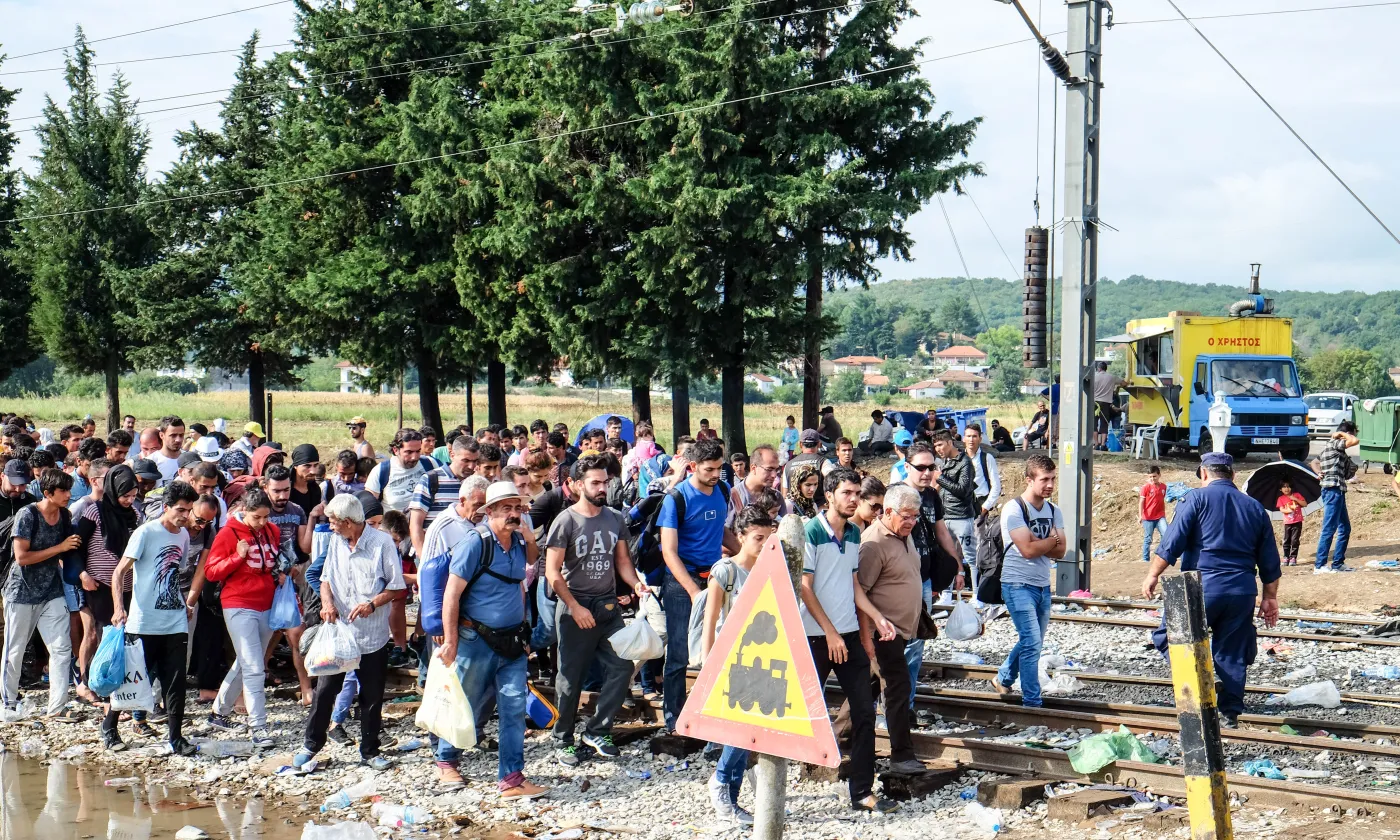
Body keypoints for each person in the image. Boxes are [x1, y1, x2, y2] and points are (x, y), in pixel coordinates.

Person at [1142, 452, 1281, 728]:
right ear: (1233, 475)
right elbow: (1270, 560)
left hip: (1201, 587)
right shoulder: (1255, 507)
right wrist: (1270, 597)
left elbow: (1171, 543)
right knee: (1232, 650)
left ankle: (1203, 677)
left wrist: (1152, 575)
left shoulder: (1195, 499)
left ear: (1204, 473)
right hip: (1242, 590)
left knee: (1168, 635)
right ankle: (1229, 713)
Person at [436, 482, 548, 801]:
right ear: (490, 512)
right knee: (466, 703)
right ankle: (446, 761)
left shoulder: (518, 540)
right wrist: (451, 641)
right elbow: (451, 594)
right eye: (506, 508)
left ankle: (511, 779)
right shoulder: (475, 543)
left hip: (512, 642)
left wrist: (529, 538)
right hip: (475, 639)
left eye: (517, 508)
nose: (514, 514)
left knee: (513, 708)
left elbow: (529, 566)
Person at [799, 467, 899, 814]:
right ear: (829, 496)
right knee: (799, 711)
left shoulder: (855, 532)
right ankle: (764, 775)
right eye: (847, 493)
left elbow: (853, 584)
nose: (854, 499)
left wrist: (876, 618)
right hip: (816, 637)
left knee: (864, 712)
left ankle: (861, 791)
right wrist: (829, 632)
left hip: (848, 635)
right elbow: (805, 587)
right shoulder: (811, 531)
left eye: (857, 494)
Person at [546, 455, 647, 767]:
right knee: (570, 678)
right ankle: (562, 739)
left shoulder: (614, 518)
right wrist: (574, 607)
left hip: (607, 607)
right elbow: (552, 572)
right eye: (595, 483)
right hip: (575, 607)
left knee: (622, 667)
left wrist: (636, 584)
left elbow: (623, 561)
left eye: (606, 482)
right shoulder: (565, 521)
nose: (603, 488)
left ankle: (597, 730)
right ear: (578, 485)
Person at [294, 494, 406, 772]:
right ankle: (311, 745)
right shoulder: (336, 541)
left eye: (333, 521)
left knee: (372, 696)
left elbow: (396, 587)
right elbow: (325, 580)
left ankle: (370, 750)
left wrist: (372, 604)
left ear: (347, 522)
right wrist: (327, 604)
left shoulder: (382, 543)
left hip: (372, 635)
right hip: (340, 634)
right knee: (324, 691)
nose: (330, 526)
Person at [104, 480, 201, 754]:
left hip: (175, 620)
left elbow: (173, 575)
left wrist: (185, 603)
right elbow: (119, 573)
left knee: (176, 682)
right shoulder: (145, 533)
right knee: (132, 678)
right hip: (143, 621)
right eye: (180, 510)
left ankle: (176, 738)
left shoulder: (183, 536)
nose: (185, 516)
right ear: (166, 507)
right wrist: (118, 608)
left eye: (189, 510)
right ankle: (110, 727)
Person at [699, 505, 774, 825]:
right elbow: (710, 620)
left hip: (759, 658)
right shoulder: (725, 571)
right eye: (758, 538)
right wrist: (708, 664)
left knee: (748, 729)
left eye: (768, 538)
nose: (764, 544)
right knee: (741, 728)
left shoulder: (768, 568)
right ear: (741, 536)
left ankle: (731, 800)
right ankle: (720, 782)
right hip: (730, 659)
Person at [657, 437, 736, 733]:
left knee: (719, 645)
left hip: (715, 577)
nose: (715, 475)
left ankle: (712, 711)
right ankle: (674, 718)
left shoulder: (723, 490)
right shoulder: (676, 499)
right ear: (692, 466)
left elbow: (720, 530)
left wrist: (745, 554)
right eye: (709, 469)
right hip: (682, 581)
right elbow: (668, 552)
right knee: (679, 651)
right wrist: (693, 591)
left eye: (718, 468)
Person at [857, 483, 927, 776]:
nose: (912, 521)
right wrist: (867, 636)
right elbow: (859, 591)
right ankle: (901, 755)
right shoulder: (874, 543)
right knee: (898, 688)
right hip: (882, 632)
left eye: (915, 516)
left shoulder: (903, 535)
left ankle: (840, 740)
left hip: (900, 630)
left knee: (868, 688)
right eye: (906, 515)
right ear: (888, 511)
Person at [204, 488, 282, 746]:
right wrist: (238, 556)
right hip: (238, 603)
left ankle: (219, 712)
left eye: (266, 517)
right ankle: (258, 726)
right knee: (254, 667)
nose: (262, 522)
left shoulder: (272, 530)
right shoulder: (228, 533)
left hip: (266, 604)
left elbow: (273, 561)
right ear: (244, 511)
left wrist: (283, 572)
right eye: (257, 517)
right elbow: (211, 572)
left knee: (248, 661)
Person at [2, 468, 79, 721]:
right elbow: (22, 557)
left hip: (51, 590)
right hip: (21, 591)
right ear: (47, 493)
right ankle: (7, 702)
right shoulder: (27, 515)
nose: (68, 495)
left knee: (61, 648)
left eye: (69, 489)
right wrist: (59, 547)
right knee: (15, 650)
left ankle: (57, 707)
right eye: (63, 491)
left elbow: (68, 552)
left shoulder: (65, 515)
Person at [989, 454, 1066, 709]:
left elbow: (1061, 551)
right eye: (1044, 479)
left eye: (1053, 479)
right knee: (1032, 642)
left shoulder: (1054, 510)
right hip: (1017, 584)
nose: (1050, 485)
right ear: (1029, 480)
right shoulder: (1014, 509)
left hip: (1042, 585)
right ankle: (1032, 701)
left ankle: (1003, 678)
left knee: (1031, 641)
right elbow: (1028, 550)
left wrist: (1041, 542)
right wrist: (1051, 540)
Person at [931, 430, 978, 594]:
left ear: (950, 442)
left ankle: (976, 593)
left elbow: (963, 490)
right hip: (945, 516)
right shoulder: (945, 462)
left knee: (970, 556)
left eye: (940, 444)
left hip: (961, 516)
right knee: (947, 556)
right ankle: (946, 592)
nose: (938, 449)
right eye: (935, 446)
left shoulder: (965, 462)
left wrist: (940, 479)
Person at [1310, 422, 1358, 573]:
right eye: (1353, 432)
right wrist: (1341, 434)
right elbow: (1354, 441)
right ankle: (1319, 565)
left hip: (1337, 490)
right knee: (1329, 528)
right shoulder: (1336, 443)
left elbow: (1314, 462)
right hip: (1333, 490)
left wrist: (1318, 472)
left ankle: (1338, 563)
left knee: (1345, 528)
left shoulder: (1331, 446)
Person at [365, 428, 427, 513]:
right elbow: (369, 507)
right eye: (409, 452)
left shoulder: (430, 464)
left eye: (418, 451)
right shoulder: (381, 471)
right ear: (396, 450)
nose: (414, 457)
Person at [964, 424, 1000, 515]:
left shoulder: (987, 458)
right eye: (968, 436)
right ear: (964, 439)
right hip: (963, 506)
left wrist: (985, 507)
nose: (971, 439)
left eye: (974, 436)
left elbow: (996, 485)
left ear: (980, 439)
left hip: (981, 502)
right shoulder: (958, 458)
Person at [1093, 362, 1126, 450]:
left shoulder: (1094, 376)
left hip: (1095, 403)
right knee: (1104, 424)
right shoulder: (1112, 377)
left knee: (1094, 424)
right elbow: (1124, 383)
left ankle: (1096, 444)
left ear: (1099, 368)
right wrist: (1117, 387)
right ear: (1106, 368)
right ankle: (1103, 444)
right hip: (1106, 403)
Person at [1140, 465, 1167, 563]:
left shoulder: (1164, 487)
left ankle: (1162, 555)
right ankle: (1145, 559)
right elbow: (1141, 502)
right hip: (1148, 517)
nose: (1152, 478)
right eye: (1150, 477)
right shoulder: (1145, 488)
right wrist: (1140, 515)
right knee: (1148, 539)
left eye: (1154, 476)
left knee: (1166, 534)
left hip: (1160, 516)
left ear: (1159, 475)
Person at [148, 416, 187, 485]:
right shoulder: (151, 462)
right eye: (173, 435)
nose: (178, 440)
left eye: (181, 435)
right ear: (161, 435)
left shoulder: (190, 460)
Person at [1278, 480, 1306, 567]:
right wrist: (1288, 510)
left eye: (1288, 486)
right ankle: (1286, 556)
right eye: (1284, 487)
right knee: (1286, 540)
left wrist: (1295, 499)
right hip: (1287, 522)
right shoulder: (1281, 499)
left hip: (1297, 522)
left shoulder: (1297, 495)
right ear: (1280, 489)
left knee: (1295, 540)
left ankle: (1293, 557)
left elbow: (1305, 504)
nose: (1286, 488)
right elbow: (1281, 509)